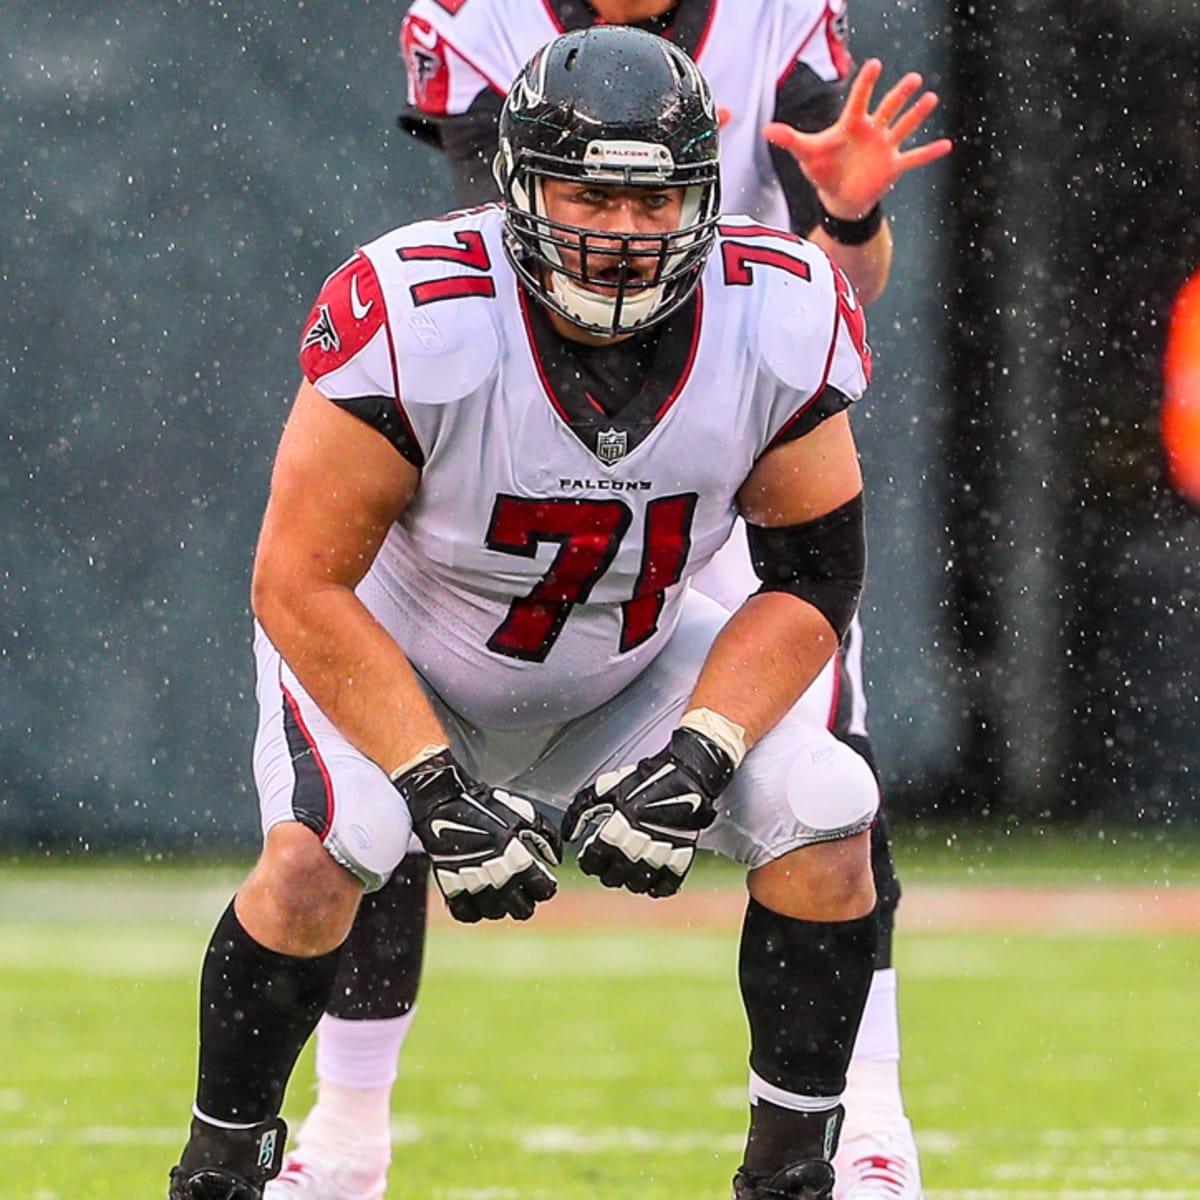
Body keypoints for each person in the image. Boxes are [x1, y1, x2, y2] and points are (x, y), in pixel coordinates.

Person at [168, 25, 887, 1200]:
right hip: (400, 651)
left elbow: (813, 579)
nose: (622, 234)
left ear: (707, 199)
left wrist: (703, 752)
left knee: (827, 809)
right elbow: (298, 582)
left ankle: (789, 1177)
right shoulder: (418, 310)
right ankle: (221, 1168)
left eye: (657, 204)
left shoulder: (781, 309)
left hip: (629, 664)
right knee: (324, 851)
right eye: (589, 194)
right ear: (517, 186)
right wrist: (436, 790)